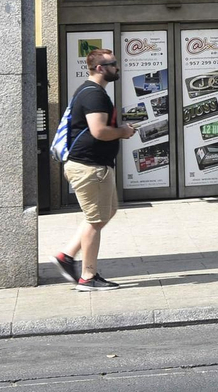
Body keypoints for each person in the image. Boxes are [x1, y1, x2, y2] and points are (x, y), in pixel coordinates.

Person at [53, 48, 136, 291]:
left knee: (107, 212)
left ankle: (66, 256)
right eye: (113, 64)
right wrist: (123, 131)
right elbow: (98, 131)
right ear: (100, 68)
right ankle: (88, 278)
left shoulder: (92, 92)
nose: (117, 67)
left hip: (95, 166)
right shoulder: (94, 95)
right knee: (95, 220)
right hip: (90, 167)